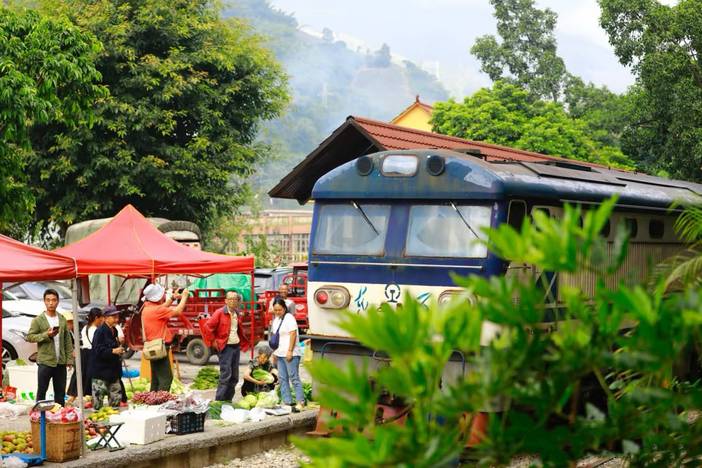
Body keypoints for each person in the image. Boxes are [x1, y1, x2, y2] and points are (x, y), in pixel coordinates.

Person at [27, 289, 74, 406]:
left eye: (53, 300)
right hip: (45, 361)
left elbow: (67, 340)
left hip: (60, 362)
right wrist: (46, 335)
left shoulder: (62, 319)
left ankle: (59, 413)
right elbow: (30, 337)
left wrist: (69, 359)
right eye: (48, 300)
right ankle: (39, 414)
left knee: (60, 393)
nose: (51, 303)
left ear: (58, 301)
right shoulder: (38, 320)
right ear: (44, 301)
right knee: (42, 390)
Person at [141, 283, 189, 392]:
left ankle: (152, 398)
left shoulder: (147, 308)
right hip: (160, 348)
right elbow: (178, 311)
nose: (163, 296)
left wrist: (172, 298)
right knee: (166, 379)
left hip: (153, 346)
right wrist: (184, 297)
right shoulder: (157, 310)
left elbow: (162, 307)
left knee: (156, 378)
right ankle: (161, 399)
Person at [205, 291, 245, 401]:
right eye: (230, 299)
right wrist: (214, 341)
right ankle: (219, 401)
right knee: (226, 375)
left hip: (235, 346)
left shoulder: (237, 313)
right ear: (226, 301)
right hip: (225, 347)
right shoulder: (219, 313)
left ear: (237, 301)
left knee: (234, 376)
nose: (232, 301)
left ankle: (228, 400)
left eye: (235, 299)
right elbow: (208, 327)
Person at [270, 297, 305, 411]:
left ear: (284, 308)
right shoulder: (276, 320)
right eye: (275, 310)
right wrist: (274, 353)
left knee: (294, 378)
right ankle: (287, 402)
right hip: (279, 353)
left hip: (291, 353)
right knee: (282, 378)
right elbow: (275, 337)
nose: (277, 312)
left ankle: (300, 402)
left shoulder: (289, 318)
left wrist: (290, 351)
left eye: (279, 310)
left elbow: (293, 334)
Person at [89, 306, 124, 410]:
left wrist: (119, 350)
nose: (116, 319)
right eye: (113, 317)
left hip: (113, 370)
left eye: (117, 317)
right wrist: (113, 351)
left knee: (116, 399)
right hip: (100, 371)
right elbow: (97, 350)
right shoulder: (99, 331)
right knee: (98, 402)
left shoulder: (114, 330)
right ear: (105, 318)